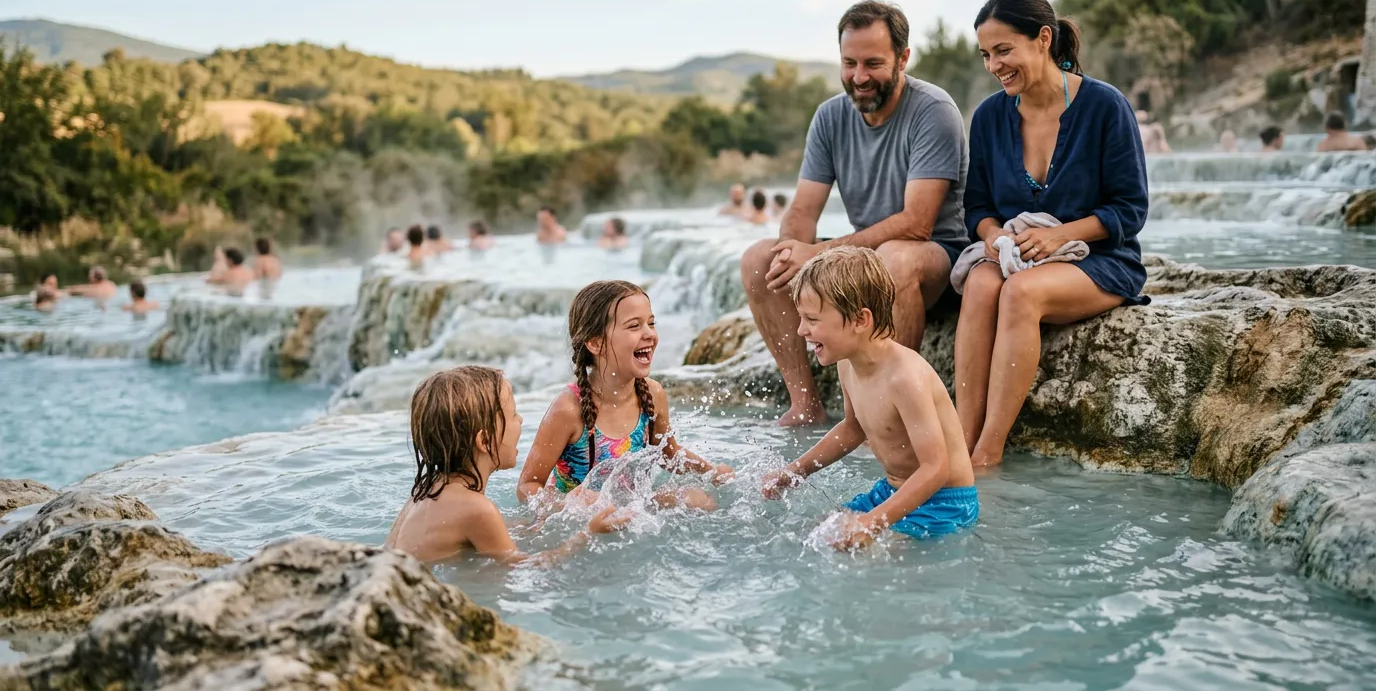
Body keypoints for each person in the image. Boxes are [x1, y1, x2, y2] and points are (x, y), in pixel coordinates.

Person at [739, 0, 969, 426]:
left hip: (935, 256)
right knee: (759, 259)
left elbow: (917, 223)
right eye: (849, 63)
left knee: (894, 259)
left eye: (873, 64)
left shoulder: (933, 111)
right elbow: (803, 210)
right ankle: (805, 404)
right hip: (867, 256)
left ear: (903, 58)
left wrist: (821, 254)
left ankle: (888, 416)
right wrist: (793, 250)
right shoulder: (829, 117)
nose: (859, 77)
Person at [957, 0, 1149, 468]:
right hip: (1015, 251)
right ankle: (958, 442)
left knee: (1020, 293)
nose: (994, 65)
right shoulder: (987, 117)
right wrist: (994, 236)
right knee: (981, 285)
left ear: (1043, 39)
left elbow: (1130, 209)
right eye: (986, 54)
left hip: (1101, 259)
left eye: (1004, 50)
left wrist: (1061, 235)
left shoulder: (1105, 106)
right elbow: (977, 207)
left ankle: (987, 453)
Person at [760, 247, 977, 549]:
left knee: (852, 549)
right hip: (891, 491)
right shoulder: (847, 363)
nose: (801, 330)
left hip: (945, 504)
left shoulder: (905, 378)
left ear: (861, 320)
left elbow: (935, 468)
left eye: (812, 319)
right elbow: (853, 428)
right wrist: (793, 472)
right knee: (809, 535)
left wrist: (873, 522)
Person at [516, 280, 733, 509]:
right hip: (584, 522)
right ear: (596, 343)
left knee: (697, 500)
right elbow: (527, 485)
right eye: (634, 326)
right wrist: (570, 504)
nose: (649, 334)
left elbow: (668, 454)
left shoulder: (652, 394)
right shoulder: (569, 410)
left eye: (651, 323)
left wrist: (713, 473)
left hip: (632, 509)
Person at [385, 365, 631, 566]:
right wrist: (587, 534)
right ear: (484, 440)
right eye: (513, 414)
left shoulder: (426, 490)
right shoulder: (477, 509)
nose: (520, 420)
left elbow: (482, 535)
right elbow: (523, 567)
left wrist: (555, 514)